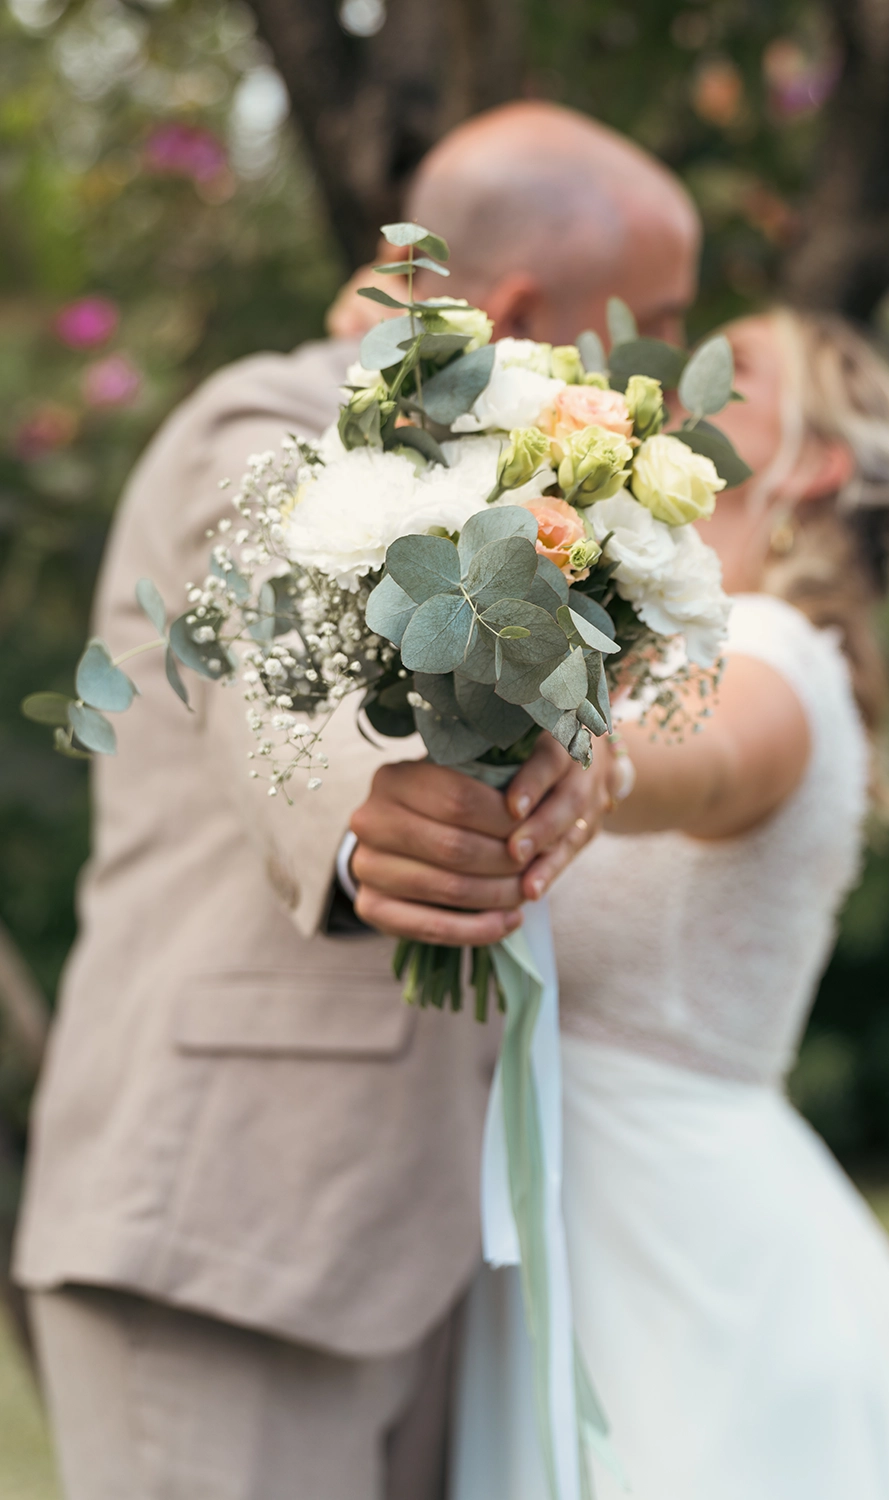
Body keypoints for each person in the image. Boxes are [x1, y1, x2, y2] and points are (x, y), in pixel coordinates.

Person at [12, 102, 698, 1500]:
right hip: (230, 1229)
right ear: (517, 312)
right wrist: (371, 803)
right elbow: (271, 634)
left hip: (441, 1232)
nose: (673, 385)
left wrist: (586, 769)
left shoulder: (540, 502)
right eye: (660, 327)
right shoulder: (263, 422)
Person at [450, 310, 889, 1499]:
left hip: (675, 1249)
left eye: (737, 370)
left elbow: (699, 759)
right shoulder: (686, 644)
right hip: (588, 1196)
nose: (673, 377)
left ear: (814, 462)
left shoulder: (776, 655)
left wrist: (600, 760)